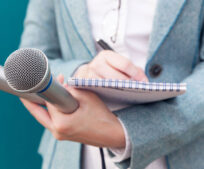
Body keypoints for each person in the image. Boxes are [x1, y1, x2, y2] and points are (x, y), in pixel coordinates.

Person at [18, 0, 204, 169]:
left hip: (184, 154)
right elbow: (27, 61)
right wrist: (80, 74)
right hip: (71, 156)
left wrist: (126, 133)